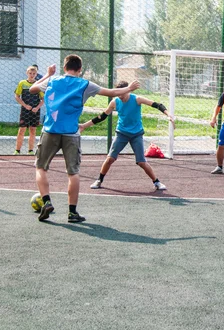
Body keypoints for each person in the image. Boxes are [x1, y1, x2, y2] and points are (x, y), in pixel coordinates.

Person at [29, 54, 141, 223]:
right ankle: (72, 213)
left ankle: (46, 201)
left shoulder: (53, 81)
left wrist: (48, 74)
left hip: (50, 131)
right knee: (73, 173)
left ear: (64, 67)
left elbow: (32, 89)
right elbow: (111, 92)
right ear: (80, 69)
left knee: (41, 168)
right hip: (72, 134)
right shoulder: (85, 84)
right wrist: (129, 88)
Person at [80, 81, 175, 191]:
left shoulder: (137, 99)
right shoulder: (114, 102)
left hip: (136, 134)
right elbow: (102, 116)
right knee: (110, 158)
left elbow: (157, 105)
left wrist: (168, 115)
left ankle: (157, 182)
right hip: (121, 133)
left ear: (128, 91)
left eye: (122, 93)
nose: (120, 96)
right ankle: (99, 180)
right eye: (118, 93)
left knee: (141, 162)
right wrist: (84, 125)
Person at [14, 65, 43, 155]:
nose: (32, 75)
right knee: (22, 129)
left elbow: (43, 99)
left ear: (36, 74)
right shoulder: (22, 83)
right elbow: (17, 96)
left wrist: (37, 107)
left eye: (34, 73)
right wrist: (25, 105)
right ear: (27, 73)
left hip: (35, 111)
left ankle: (30, 150)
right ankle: (17, 150)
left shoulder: (38, 84)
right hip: (25, 110)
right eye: (30, 73)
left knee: (33, 130)